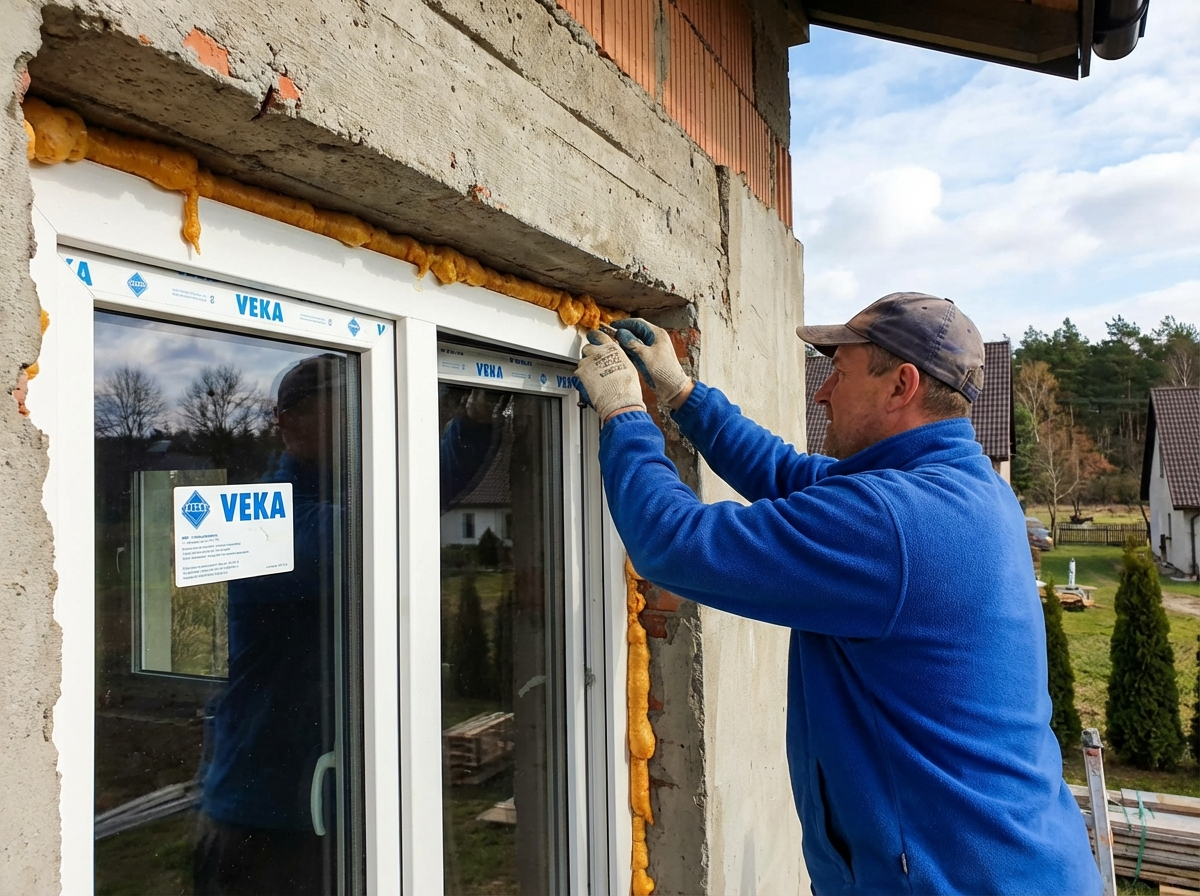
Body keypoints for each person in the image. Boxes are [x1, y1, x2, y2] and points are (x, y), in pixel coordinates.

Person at [574, 293, 1101, 896]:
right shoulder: (955, 486)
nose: (821, 394)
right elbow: (789, 474)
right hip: (1010, 863)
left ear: (901, 385)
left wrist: (624, 415)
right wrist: (681, 394)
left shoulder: (893, 522)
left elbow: (674, 543)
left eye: (839, 375)